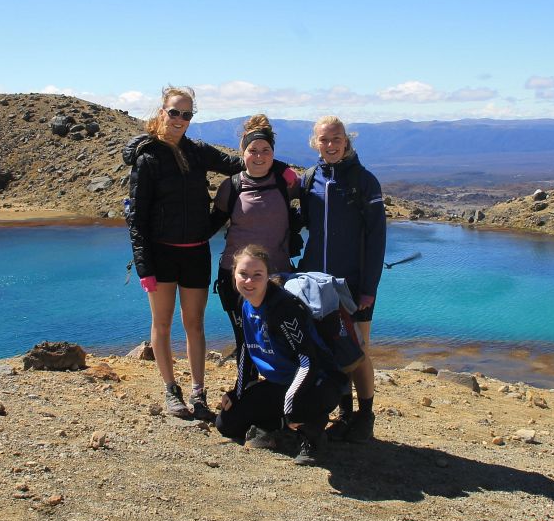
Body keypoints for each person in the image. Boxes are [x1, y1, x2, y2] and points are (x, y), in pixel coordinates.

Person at [122, 86, 242, 420]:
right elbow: (137, 219)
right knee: (161, 324)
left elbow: (237, 165)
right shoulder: (147, 159)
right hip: (160, 255)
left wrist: (273, 164)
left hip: (196, 253)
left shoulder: (198, 152)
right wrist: (144, 266)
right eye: (174, 112)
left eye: (187, 114)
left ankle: (198, 393)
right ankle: (170, 390)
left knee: (195, 325)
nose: (179, 119)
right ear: (162, 111)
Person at [215, 244, 346, 465]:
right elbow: (248, 349)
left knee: (297, 410)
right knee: (227, 424)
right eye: (243, 274)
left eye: (257, 275)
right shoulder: (244, 304)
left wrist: (290, 403)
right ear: (233, 275)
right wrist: (237, 394)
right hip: (282, 382)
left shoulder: (282, 309)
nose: (249, 281)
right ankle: (284, 424)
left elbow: (308, 362)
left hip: (319, 382)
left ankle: (312, 437)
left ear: (268, 276)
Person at [298, 115, 386, 443]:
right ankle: (344, 413)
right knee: (329, 349)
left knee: (358, 350)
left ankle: (365, 416)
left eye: (336, 139)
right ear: (315, 143)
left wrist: (369, 289)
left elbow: (377, 239)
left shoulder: (365, 182)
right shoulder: (309, 180)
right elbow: (301, 224)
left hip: (353, 285)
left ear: (347, 140)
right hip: (315, 284)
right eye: (324, 140)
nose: (331, 145)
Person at [210, 114, 300, 331]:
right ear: (243, 153)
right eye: (253, 150)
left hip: (278, 276)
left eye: (265, 150)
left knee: (281, 341)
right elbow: (209, 227)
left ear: (273, 153)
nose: (259, 156)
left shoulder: (286, 184)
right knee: (245, 341)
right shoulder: (230, 187)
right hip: (237, 278)